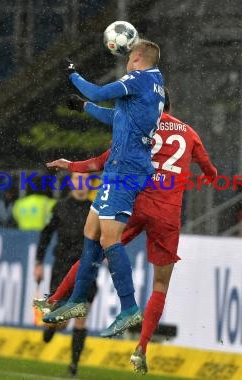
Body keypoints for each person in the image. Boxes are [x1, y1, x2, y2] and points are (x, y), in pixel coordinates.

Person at [37, 89, 217, 374]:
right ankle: (141, 348)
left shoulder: (136, 129)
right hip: (167, 214)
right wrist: (205, 179)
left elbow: (100, 161)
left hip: (136, 204)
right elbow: (210, 171)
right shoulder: (189, 133)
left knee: (93, 249)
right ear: (171, 106)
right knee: (160, 286)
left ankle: (55, 299)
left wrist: (70, 165)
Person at [43, 40, 165, 338]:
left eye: (128, 57)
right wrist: (85, 107)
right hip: (118, 169)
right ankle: (76, 302)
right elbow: (117, 117)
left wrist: (72, 74)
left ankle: (128, 307)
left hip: (126, 170)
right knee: (91, 232)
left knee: (110, 239)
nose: (126, 62)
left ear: (136, 57)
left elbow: (98, 91)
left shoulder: (139, 78)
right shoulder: (155, 85)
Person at [34, 172, 96, 377]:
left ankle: (74, 365)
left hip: (86, 269)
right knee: (62, 322)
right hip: (62, 268)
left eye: (84, 180)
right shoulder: (60, 207)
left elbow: (105, 236)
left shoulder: (95, 210)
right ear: (71, 183)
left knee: (80, 316)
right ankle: (53, 325)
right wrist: (39, 263)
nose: (81, 184)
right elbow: (46, 235)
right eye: (77, 180)